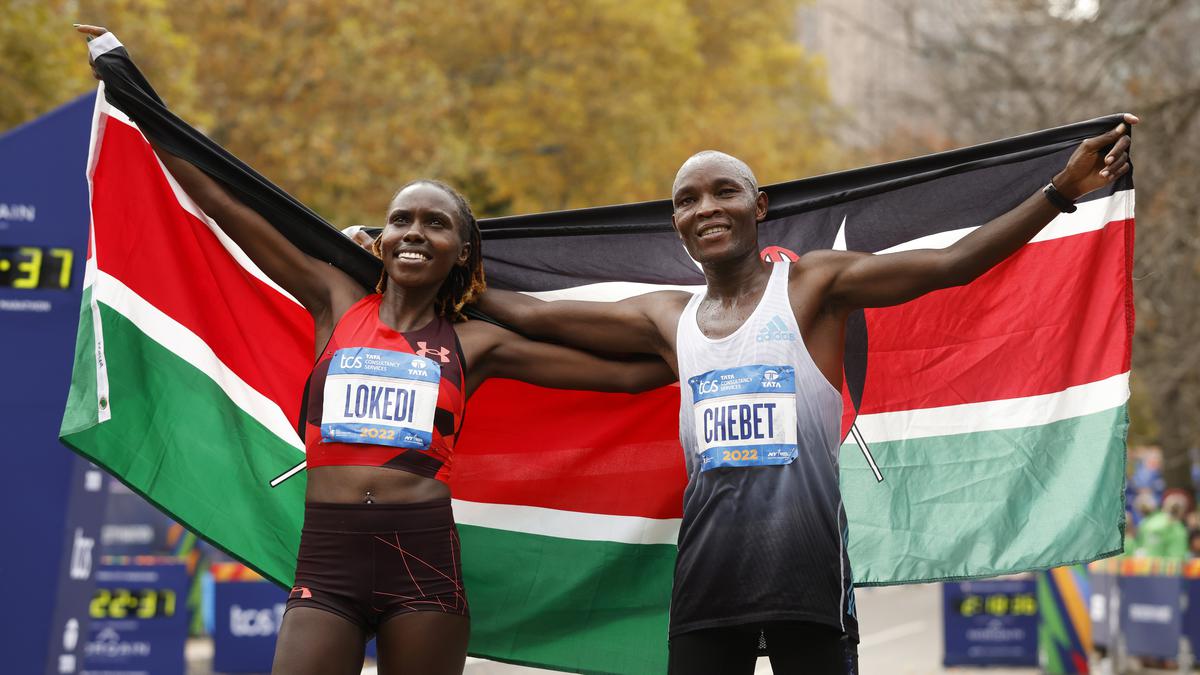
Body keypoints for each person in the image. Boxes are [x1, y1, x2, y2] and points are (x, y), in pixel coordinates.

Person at [77, 26, 675, 675]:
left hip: (423, 563)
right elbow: (223, 199)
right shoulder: (334, 299)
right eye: (401, 220)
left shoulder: (476, 342)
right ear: (381, 238)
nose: (414, 231)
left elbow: (627, 378)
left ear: (462, 250)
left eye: (435, 223)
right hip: (326, 560)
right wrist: (132, 95)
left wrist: (696, 348)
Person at [476, 120, 1136, 673]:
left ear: (758, 206)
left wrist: (1061, 190)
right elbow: (534, 317)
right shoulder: (665, 317)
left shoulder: (812, 287)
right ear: (675, 221)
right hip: (708, 581)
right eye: (688, 199)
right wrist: (433, 279)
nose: (706, 207)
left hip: (807, 576)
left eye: (723, 191)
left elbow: (952, 264)